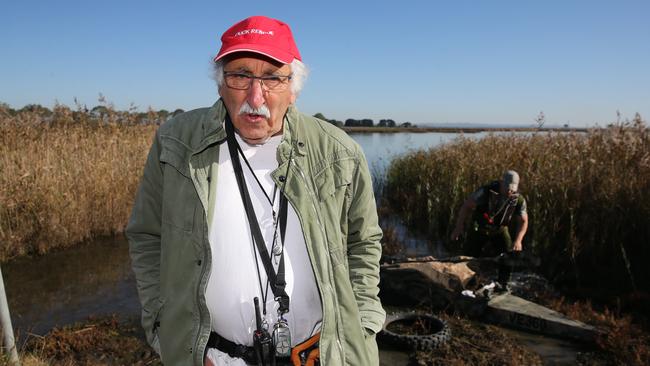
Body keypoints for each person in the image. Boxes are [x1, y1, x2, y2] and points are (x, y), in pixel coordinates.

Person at [126, 15, 385, 366]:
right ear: (220, 84)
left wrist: (364, 325)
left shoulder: (339, 152)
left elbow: (364, 243)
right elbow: (146, 235)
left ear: (293, 87)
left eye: (272, 78)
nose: (255, 95)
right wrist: (163, 324)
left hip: (317, 356)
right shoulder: (175, 143)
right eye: (240, 75)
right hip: (215, 357)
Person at [450, 170, 528, 286]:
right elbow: (466, 206)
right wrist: (459, 227)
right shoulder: (485, 192)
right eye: (507, 187)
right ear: (501, 183)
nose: (509, 191)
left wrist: (518, 240)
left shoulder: (518, 200)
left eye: (512, 188)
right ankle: (466, 283)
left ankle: (503, 284)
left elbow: (524, 221)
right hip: (480, 228)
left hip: (499, 229)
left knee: (508, 255)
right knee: (469, 257)